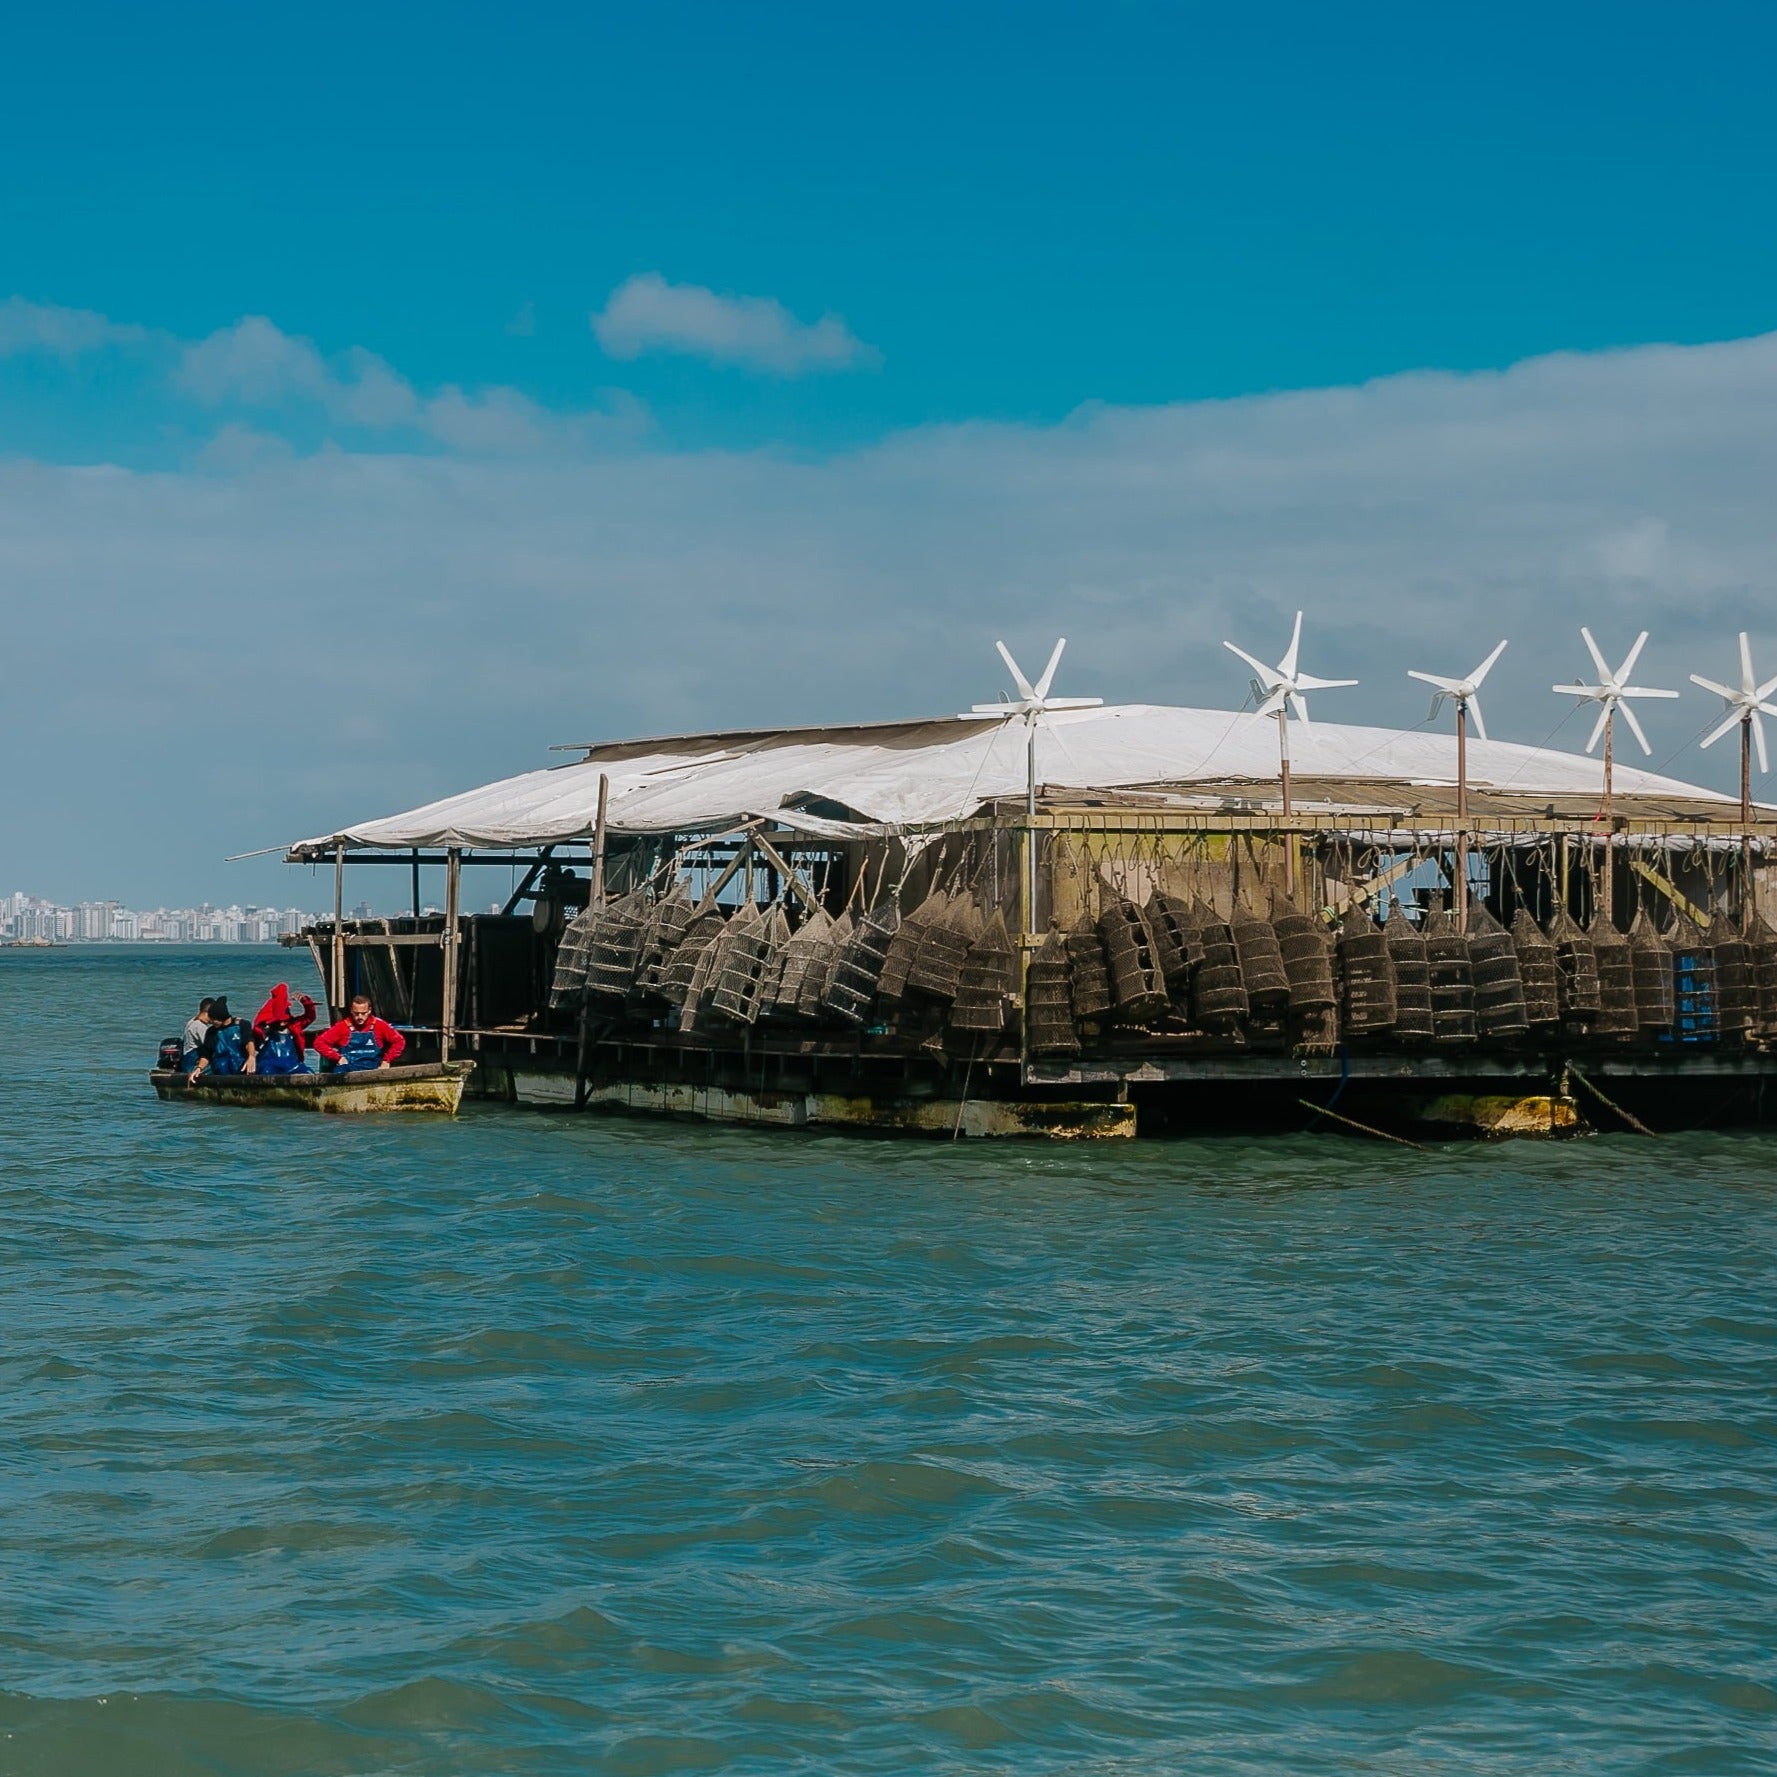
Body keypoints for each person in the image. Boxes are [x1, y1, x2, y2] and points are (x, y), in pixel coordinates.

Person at [314, 995, 406, 1072]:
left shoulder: (380, 1025)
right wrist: (338, 1058)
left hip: (373, 1068)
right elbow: (319, 1043)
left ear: (369, 1010)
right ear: (351, 1010)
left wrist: (386, 1061)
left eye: (363, 1013)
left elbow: (399, 1041)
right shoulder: (342, 1027)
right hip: (348, 1069)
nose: (359, 1017)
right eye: (356, 1013)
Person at [252, 983, 318, 1076]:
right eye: (280, 1021)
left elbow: (310, 1016)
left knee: (308, 1073)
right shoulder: (264, 1028)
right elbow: (257, 1027)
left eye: (285, 1020)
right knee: (266, 1072)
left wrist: (305, 1001)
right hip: (269, 1063)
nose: (282, 1023)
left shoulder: (294, 1025)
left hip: (292, 1063)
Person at [186, 997, 255, 1085]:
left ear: (219, 1017)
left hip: (241, 1063)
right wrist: (199, 1068)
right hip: (222, 1067)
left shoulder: (242, 1024)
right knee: (223, 1064)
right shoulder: (211, 1032)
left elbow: (249, 1041)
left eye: (213, 1019)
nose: (211, 1022)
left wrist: (251, 1056)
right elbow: (206, 1054)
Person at [180, 998, 214, 1072]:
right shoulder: (200, 1027)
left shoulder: (192, 1021)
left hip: (186, 1062)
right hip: (192, 1065)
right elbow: (210, 1047)